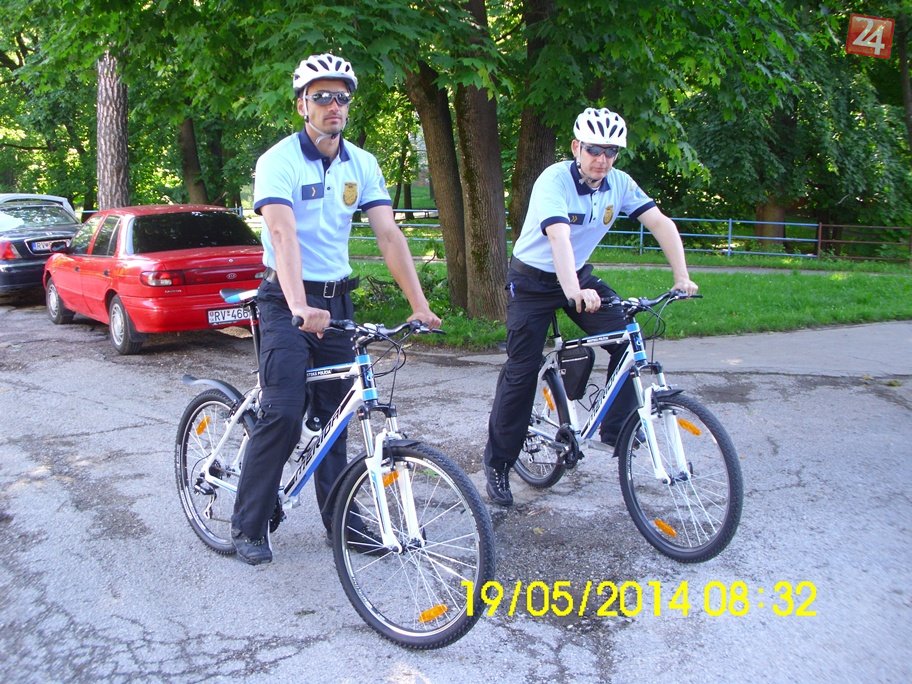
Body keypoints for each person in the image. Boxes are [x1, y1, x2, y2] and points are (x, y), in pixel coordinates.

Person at [230, 53, 441, 564]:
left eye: (341, 97)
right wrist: (299, 304)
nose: (333, 105)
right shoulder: (278, 160)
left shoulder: (361, 164)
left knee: (337, 417)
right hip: (286, 300)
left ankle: (339, 519)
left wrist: (419, 304)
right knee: (283, 412)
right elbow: (282, 233)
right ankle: (248, 524)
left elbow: (388, 234)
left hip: (337, 302)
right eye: (321, 96)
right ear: (301, 105)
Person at [483, 107, 698, 507]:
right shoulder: (554, 180)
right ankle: (498, 464)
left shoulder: (620, 184)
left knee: (627, 338)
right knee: (522, 371)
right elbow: (559, 237)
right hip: (532, 280)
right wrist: (573, 291)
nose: (602, 158)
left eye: (611, 151)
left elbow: (661, 224)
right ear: (576, 148)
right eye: (594, 149)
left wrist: (681, 277)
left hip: (577, 274)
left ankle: (618, 430)